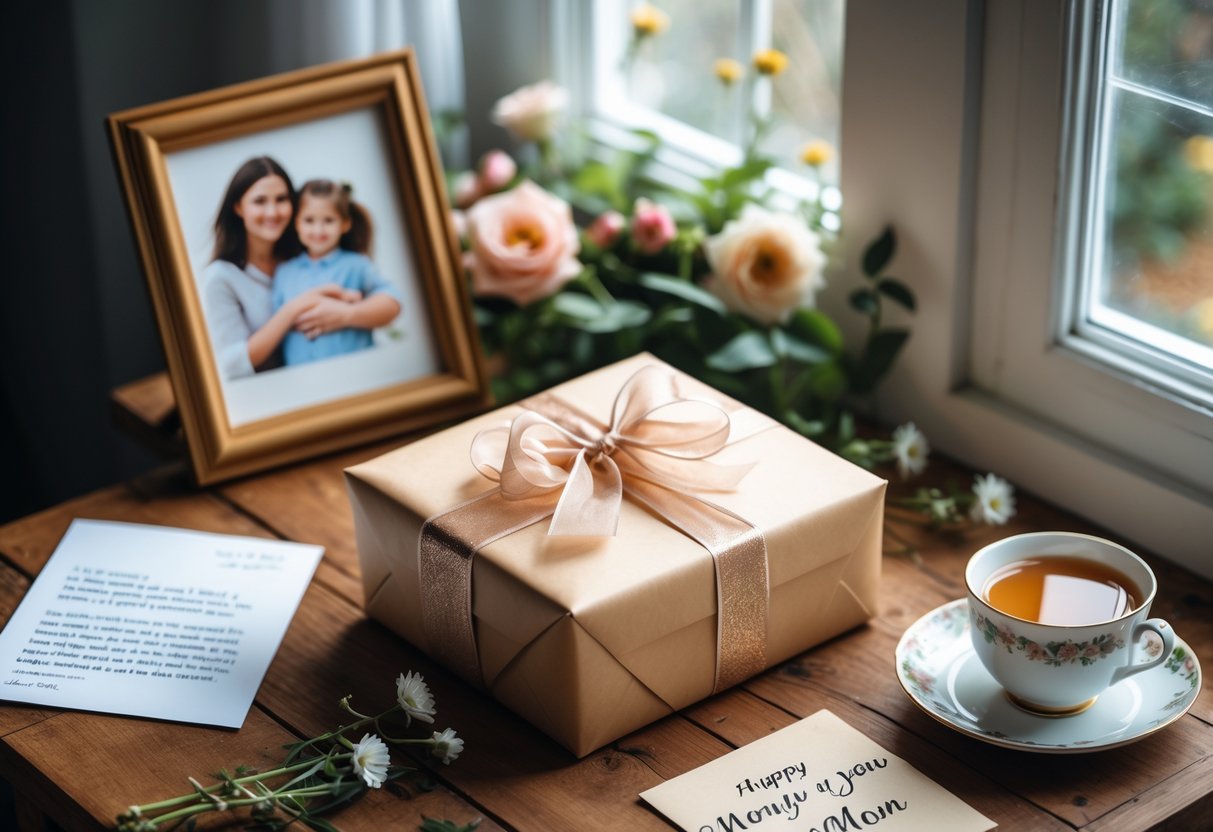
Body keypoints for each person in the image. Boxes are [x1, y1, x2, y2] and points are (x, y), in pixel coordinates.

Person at [200, 157, 359, 380]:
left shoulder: (305, 255)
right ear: (238, 207)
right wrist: (293, 309)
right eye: (260, 201)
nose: (272, 212)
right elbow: (231, 364)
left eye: (281, 199)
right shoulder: (221, 277)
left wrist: (349, 313)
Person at [271, 180, 402, 366]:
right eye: (309, 220)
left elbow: (393, 302)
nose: (318, 230)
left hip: (357, 372)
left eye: (328, 220)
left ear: (345, 224)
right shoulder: (284, 272)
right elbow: (277, 324)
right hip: (304, 379)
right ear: (296, 223)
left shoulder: (357, 265)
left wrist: (349, 312)